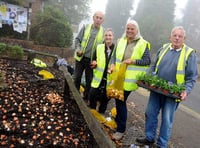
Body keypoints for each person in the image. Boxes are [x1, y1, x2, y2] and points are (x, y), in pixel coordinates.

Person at [136, 26, 198, 148]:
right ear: (170, 37)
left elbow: (191, 77)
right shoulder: (163, 48)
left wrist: (186, 90)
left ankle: (162, 144)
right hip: (156, 90)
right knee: (150, 113)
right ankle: (149, 137)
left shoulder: (189, 54)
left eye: (180, 36)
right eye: (174, 35)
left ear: (184, 39)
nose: (177, 38)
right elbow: (153, 66)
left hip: (172, 94)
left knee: (167, 119)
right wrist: (148, 78)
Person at [110, 20, 151, 140]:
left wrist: (133, 61)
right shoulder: (120, 41)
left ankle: (120, 130)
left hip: (129, 79)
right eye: (128, 28)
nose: (129, 31)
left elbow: (147, 61)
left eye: (132, 29)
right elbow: (114, 56)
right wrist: (112, 64)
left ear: (137, 30)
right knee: (117, 99)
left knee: (120, 101)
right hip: (118, 76)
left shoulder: (143, 44)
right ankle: (118, 123)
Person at [73, 11, 104, 101]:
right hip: (80, 58)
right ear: (93, 18)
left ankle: (85, 98)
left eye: (100, 18)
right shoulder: (86, 27)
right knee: (77, 77)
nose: (98, 20)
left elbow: (103, 49)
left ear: (103, 20)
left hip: (91, 61)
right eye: (97, 17)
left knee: (89, 80)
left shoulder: (103, 32)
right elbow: (78, 39)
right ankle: (75, 95)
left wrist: (97, 60)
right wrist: (78, 49)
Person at [89, 28, 115, 114]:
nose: (108, 37)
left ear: (113, 37)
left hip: (109, 79)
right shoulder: (99, 47)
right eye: (106, 35)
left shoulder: (116, 49)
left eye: (110, 35)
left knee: (105, 99)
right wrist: (94, 62)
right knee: (92, 95)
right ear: (104, 37)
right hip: (98, 78)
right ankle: (92, 113)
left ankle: (100, 115)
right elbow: (94, 58)